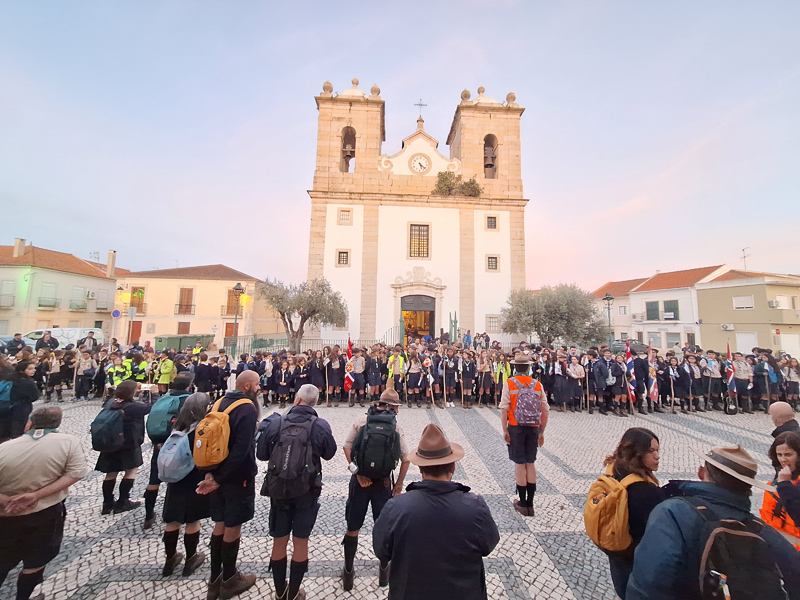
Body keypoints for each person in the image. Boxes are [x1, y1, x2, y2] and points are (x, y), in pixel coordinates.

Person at [626, 444, 800, 600]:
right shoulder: (764, 531)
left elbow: (647, 585)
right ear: (748, 487)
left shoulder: (673, 512)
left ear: (701, 473)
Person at [372, 423, 499, 600]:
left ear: (420, 468)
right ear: (453, 467)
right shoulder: (475, 507)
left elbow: (381, 550)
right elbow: (489, 544)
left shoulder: (396, 507)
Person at [0, 406, 88, 600]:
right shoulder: (68, 442)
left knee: (3, 559)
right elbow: (77, 472)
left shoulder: (5, 447)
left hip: (5, 514)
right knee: (36, 560)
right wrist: (36, 496)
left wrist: (5, 499)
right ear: (57, 424)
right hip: (45, 512)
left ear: (29, 424)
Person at [259, 383, 336, 600]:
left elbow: (262, 454)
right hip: (307, 489)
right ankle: (294, 593)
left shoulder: (276, 422)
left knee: (279, 540)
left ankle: (279, 592)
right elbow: (329, 453)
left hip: (278, 488)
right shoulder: (319, 425)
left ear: (297, 400)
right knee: (301, 540)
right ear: (315, 402)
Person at [196, 370, 260, 600]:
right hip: (235, 477)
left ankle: (214, 579)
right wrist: (221, 478)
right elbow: (242, 450)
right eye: (257, 385)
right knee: (233, 526)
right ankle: (230, 579)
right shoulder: (247, 408)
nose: (259, 388)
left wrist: (212, 476)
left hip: (214, 470)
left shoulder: (218, 402)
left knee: (219, 524)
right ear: (248, 387)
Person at [341, 389, 409, 590]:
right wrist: (398, 486)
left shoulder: (361, 420)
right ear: (392, 406)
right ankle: (384, 571)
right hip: (383, 483)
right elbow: (406, 459)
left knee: (353, 527)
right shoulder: (396, 427)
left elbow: (346, 447)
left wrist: (359, 474)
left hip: (360, 482)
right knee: (384, 528)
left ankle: (348, 572)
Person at [603, 428, 665, 598]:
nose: (657, 456)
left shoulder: (614, 470)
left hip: (617, 552)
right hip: (636, 557)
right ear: (637, 453)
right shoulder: (645, 491)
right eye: (651, 451)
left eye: (658, 450)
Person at [160, 393, 212, 577]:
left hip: (175, 479)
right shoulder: (201, 429)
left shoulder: (176, 425)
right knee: (192, 519)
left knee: (173, 520)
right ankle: (191, 558)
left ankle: (170, 559)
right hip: (193, 478)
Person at [143, 373, 194, 530]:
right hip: (179, 444)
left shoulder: (164, 398)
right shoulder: (188, 399)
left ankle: (148, 515)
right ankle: (182, 515)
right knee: (181, 479)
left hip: (160, 444)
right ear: (189, 385)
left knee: (154, 480)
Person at [500, 353, 549, 516]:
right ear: (528, 368)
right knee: (530, 463)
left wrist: (505, 430)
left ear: (515, 367)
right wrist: (541, 430)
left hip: (516, 426)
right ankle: (531, 504)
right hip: (533, 426)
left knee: (519, 464)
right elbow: (545, 409)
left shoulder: (510, 383)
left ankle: (522, 502)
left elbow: (504, 408)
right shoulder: (537, 384)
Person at [95, 380, 151, 514]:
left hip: (110, 442)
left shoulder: (110, 403)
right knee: (131, 471)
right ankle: (123, 501)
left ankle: (107, 503)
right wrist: (154, 393)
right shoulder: (132, 407)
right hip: (128, 444)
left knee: (111, 473)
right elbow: (151, 407)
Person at [762, 431, 800, 547]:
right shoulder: (776, 480)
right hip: (777, 548)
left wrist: (785, 485)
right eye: (779, 455)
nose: (783, 460)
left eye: (788, 455)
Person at [3, 361, 42, 441]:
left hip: (4, 407)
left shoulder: (7, 378)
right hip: (20, 409)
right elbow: (34, 396)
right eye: (30, 369)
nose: (34, 370)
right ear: (22, 370)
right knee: (18, 432)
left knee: (4, 431)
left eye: (34, 368)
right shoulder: (27, 382)